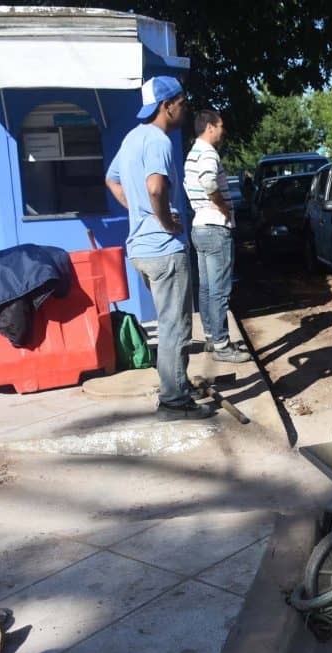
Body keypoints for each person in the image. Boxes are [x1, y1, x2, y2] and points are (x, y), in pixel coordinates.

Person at [105, 77, 215, 420]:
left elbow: (112, 180)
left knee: (168, 323)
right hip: (164, 248)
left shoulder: (131, 139)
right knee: (175, 327)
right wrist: (164, 221)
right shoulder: (159, 141)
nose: (186, 107)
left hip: (140, 249)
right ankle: (174, 400)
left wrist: (136, 211)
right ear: (167, 105)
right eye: (182, 101)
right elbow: (155, 188)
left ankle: (173, 385)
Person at [183, 109, 248, 363]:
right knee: (220, 289)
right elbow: (209, 181)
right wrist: (220, 204)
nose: (223, 130)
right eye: (221, 125)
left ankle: (212, 336)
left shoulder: (192, 154)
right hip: (215, 226)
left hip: (199, 225)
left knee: (207, 287)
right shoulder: (208, 153)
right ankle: (222, 345)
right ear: (210, 127)